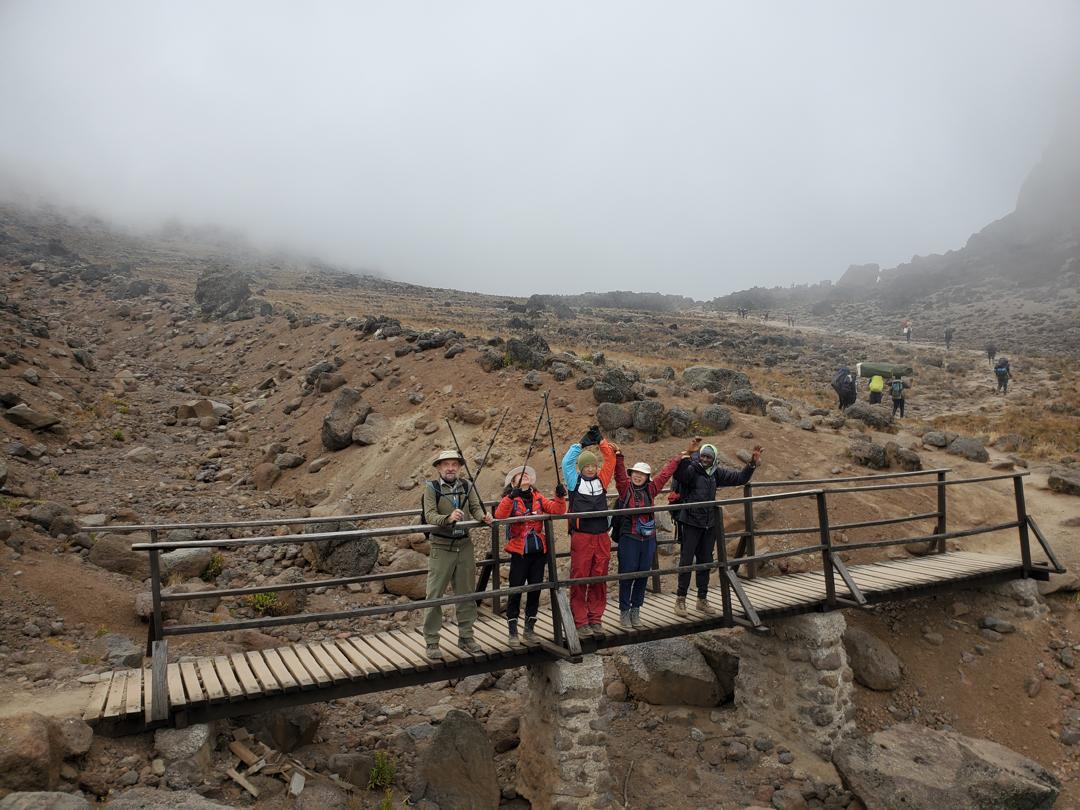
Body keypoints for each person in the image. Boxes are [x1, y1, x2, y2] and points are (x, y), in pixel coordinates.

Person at [671, 438, 762, 618]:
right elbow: (680, 474)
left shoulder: (715, 473)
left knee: (706, 561)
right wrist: (688, 453)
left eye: (708, 457)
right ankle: (680, 600)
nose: (705, 459)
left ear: (714, 459)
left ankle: (702, 599)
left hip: (708, 524)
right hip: (690, 522)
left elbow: (739, 478)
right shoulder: (692, 470)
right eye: (703, 456)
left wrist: (751, 464)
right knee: (686, 561)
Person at [421, 449, 493, 659]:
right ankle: (432, 641)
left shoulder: (467, 485)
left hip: (465, 546)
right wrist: (448, 518)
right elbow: (430, 516)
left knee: (466, 594)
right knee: (434, 595)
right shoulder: (431, 489)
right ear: (438, 468)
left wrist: (484, 517)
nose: (450, 468)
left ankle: (466, 637)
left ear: (459, 467)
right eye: (445, 464)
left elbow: (475, 507)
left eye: (454, 464)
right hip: (441, 547)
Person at [494, 465, 566, 646]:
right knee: (515, 589)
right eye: (519, 475)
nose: (524, 475)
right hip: (520, 552)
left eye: (526, 474)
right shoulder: (510, 499)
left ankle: (529, 628)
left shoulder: (538, 497)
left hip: (538, 551)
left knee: (535, 588)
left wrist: (559, 496)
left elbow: (558, 510)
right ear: (513, 483)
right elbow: (499, 515)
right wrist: (511, 496)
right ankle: (512, 631)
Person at [612, 448, 681, 628]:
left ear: (647, 477)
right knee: (627, 574)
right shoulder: (624, 488)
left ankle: (636, 611)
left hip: (648, 538)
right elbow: (619, 475)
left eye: (642, 474)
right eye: (636, 473)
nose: (638, 476)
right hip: (629, 537)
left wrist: (679, 458)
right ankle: (624, 612)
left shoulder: (651, 489)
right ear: (631, 474)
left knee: (643, 574)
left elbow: (665, 474)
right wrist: (619, 456)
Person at [561, 425, 617, 637]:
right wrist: (582, 445)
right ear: (581, 468)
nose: (591, 469)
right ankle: (580, 620)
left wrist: (601, 441)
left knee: (599, 578)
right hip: (582, 537)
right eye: (587, 466)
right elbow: (566, 462)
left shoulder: (602, 481)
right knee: (580, 578)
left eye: (594, 466)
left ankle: (596, 618)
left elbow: (610, 459)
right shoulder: (574, 482)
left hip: (602, 535)